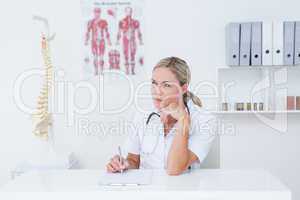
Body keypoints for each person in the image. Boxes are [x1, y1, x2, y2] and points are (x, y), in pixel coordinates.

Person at [106, 57, 216, 175]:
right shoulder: (142, 115)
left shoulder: (205, 121)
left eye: (166, 85)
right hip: (146, 190)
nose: (157, 92)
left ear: (183, 88)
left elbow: (174, 169)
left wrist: (183, 120)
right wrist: (124, 164)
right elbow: (134, 160)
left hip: (182, 190)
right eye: (154, 83)